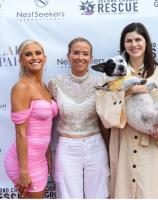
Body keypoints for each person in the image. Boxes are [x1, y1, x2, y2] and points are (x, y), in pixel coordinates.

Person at [109, 22, 158, 198]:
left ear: (146, 42)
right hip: (125, 142)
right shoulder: (113, 73)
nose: (134, 44)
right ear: (123, 45)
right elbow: (106, 110)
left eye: (138, 39)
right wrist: (130, 91)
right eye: (128, 40)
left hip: (152, 144)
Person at [48, 37, 109, 198]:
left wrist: (111, 149)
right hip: (66, 146)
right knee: (68, 195)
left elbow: (105, 120)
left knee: (98, 194)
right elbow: (46, 119)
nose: (80, 57)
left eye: (85, 53)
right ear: (68, 56)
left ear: (91, 58)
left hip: (95, 144)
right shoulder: (55, 83)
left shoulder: (101, 84)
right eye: (76, 53)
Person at [4, 40, 58, 198]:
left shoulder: (44, 86)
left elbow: (44, 127)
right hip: (24, 162)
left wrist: (47, 155)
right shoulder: (21, 87)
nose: (34, 57)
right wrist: (23, 171)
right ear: (21, 60)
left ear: (45, 57)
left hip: (39, 158)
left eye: (38, 53)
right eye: (28, 54)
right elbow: (21, 134)